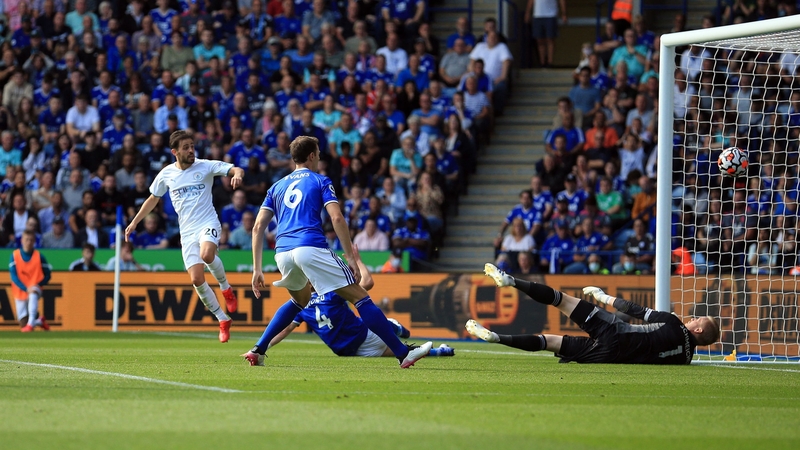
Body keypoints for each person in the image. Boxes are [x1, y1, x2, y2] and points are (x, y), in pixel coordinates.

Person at [242, 136, 432, 368]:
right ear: (312, 155)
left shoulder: (276, 186)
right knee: (360, 296)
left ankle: (258, 349)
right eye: (319, 152)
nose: (320, 156)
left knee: (298, 301)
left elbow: (258, 226)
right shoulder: (321, 180)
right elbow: (336, 217)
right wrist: (350, 257)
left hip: (282, 252)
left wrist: (256, 269)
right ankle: (403, 353)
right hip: (310, 246)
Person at [125, 130, 245, 343]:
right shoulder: (166, 174)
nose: (191, 150)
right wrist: (135, 222)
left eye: (192, 146)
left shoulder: (205, 166)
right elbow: (153, 199)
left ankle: (226, 289)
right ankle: (223, 319)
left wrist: (236, 174)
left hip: (207, 223)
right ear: (174, 152)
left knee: (207, 255)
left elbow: (235, 168)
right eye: (186, 147)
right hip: (187, 232)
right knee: (196, 279)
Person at [469, 263, 720, 364]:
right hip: (610, 356)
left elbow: (635, 310)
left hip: (616, 332)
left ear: (698, 330)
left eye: (697, 320)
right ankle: (496, 337)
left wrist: (603, 297)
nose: (692, 318)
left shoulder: (673, 322)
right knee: (551, 342)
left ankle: (511, 281)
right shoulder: (684, 360)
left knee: (563, 300)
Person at [268, 246, 454, 357]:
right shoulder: (331, 292)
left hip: (351, 343)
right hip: (352, 345)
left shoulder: (300, 304)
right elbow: (367, 283)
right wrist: (357, 261)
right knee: (398, 351)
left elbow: (285, 329)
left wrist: (264, 345)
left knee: (397, 351)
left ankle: (438, 351)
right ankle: (392, 327)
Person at [10, 230, 52, 332]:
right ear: (22, 241)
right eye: (27, 239)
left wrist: (39, 284)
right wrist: (25, 288)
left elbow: (48, 275)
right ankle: (39, 321)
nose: (29, 242)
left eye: (31, 240)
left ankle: (30, 324)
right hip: (20, 290)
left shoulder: (39, 256)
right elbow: (13, 276)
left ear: (34, 242)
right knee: (22, 322)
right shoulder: (15, 255)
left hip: (35, 286)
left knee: (33, 292)